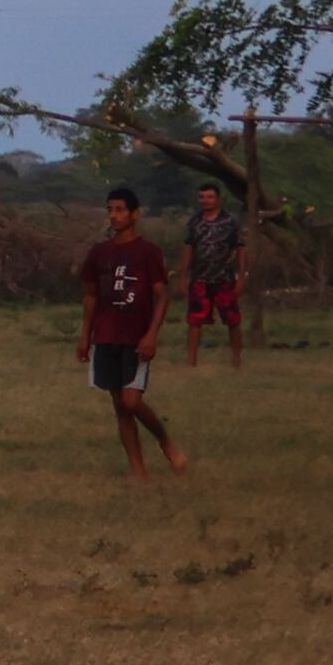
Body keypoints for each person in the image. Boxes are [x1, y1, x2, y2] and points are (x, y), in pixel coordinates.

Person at [78, 189, 186, 476]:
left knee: (132, 400)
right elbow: (91, 296)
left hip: (136, 336)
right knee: (120, 406)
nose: (114, 215)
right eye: (110, 209)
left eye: (120, 210)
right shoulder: (99, 253)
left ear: (135, 214)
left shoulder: (148, 252)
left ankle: (165, 441)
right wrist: (85, 337)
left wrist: (152, 335)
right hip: (106, 335)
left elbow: (162, 296)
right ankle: (138, 471)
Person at [184, 178, 247, 374]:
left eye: (210, 197)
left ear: (219, 199)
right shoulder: (194, 222)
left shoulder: (230, 222)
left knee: (233, 321)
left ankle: (236, 360)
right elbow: (188, 248)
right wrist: (183, 276)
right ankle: (191, 361)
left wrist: (242, 277)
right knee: (195, 321)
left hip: (225, 280)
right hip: (200, 279)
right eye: (202, 197)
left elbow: (241, 249)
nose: (205, 200)